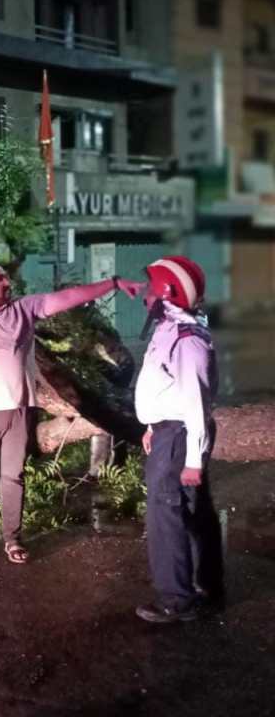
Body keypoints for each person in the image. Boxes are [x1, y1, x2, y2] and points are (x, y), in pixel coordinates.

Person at [0, 263, 142, 568]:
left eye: (6, 277)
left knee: (13, 477)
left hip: (18, 411)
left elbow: (69, 296)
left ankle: (13, 539)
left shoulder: (24, 310)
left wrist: (113, 283)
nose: (7, 282)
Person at [133, 256, 223, 623]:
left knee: (166, 516)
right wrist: (152, 425)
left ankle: (177, 599)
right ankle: (206, 588)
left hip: (181, 436)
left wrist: (193, 461)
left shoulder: (188, 339)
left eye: (150, 286)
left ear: (167, 292)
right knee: (191, 512)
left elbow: (195, 404)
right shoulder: (169, 327)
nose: (143, 292)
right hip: (169, 432)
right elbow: (165, 385)